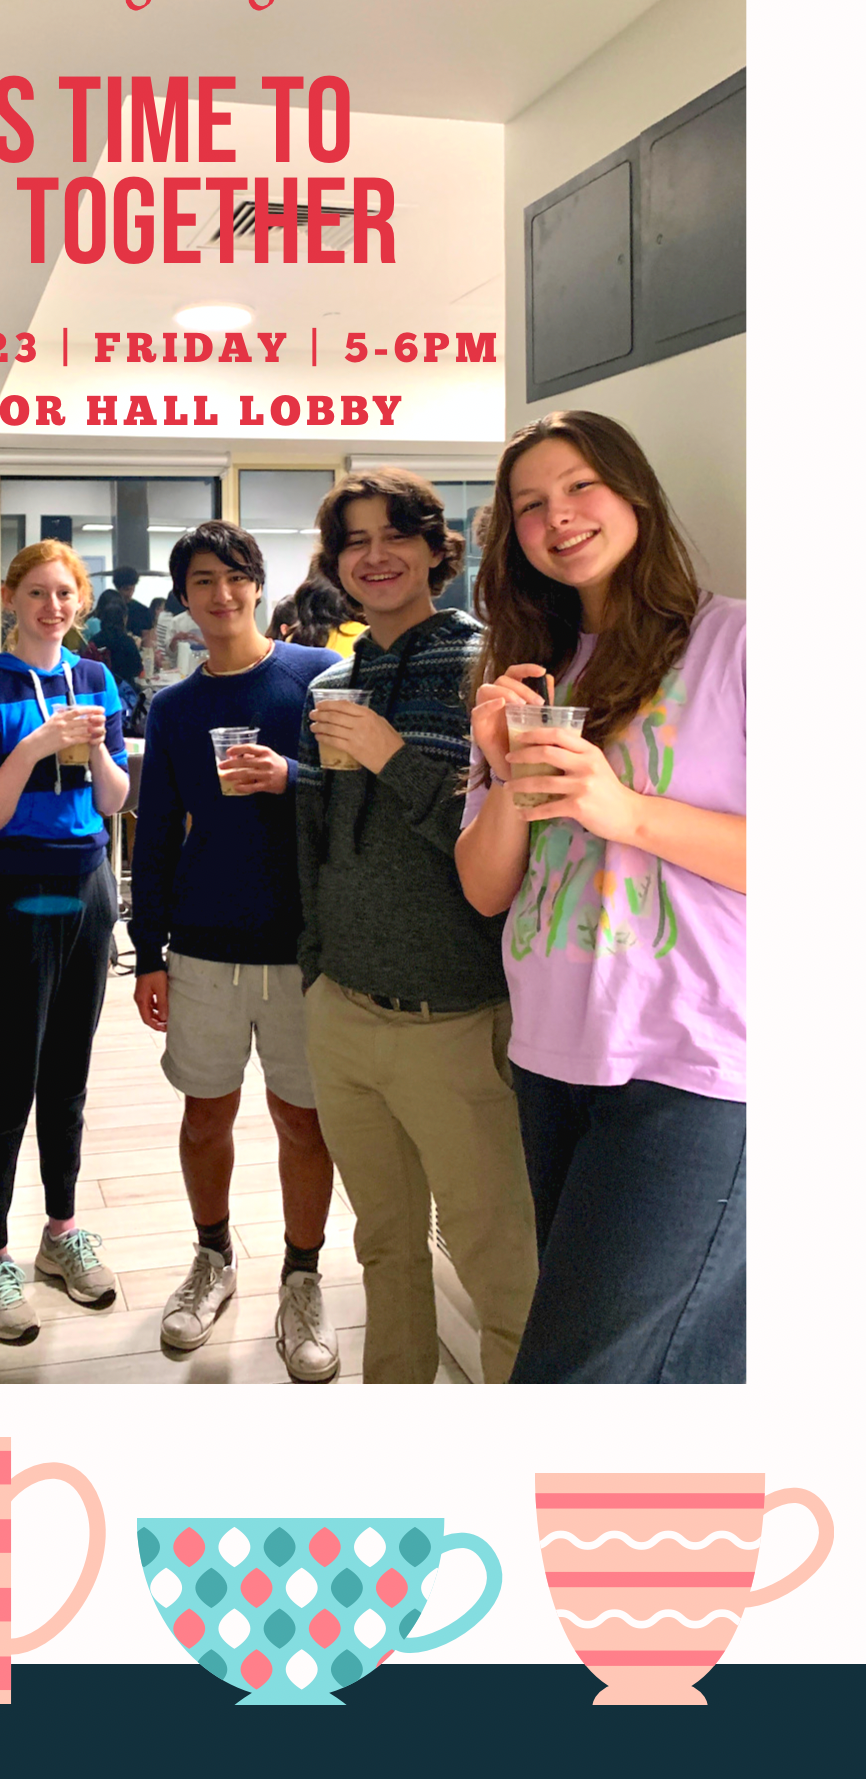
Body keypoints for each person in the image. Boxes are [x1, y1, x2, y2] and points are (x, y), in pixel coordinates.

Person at [455, 411, 745, 1384]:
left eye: (578, 486)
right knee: (678, 1371)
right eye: (529, 504)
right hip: (551, 1053)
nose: (558, 516)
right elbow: (485, 887)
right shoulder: (522, 675)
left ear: (633, 493)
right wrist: (500, 772)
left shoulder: (735, 644)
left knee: (572, 1381)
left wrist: (620, 810)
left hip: (693, 1062)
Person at [298, 468, 538, 1385]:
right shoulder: (333, 678)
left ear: (438, 549)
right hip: (343, 1008)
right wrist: (317, 964)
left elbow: (505, 844)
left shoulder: (492, 669)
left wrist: (390, 756)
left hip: (457, 1014)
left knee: (498, 1268)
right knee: (385, 1248)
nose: (374, 555)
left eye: (394, 534)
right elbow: (328, 848)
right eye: (353, 541)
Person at [132, 524, 342, 1381]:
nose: (222, 595)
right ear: (184, 596)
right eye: (203, 581)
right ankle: (212, 1256)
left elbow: (352, 800)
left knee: (302, 1116)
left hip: (300, 944)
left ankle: (302, 1275)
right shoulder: (175, 709)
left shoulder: (316, 678)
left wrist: (290, 776)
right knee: (204, 1112)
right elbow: (151, 842)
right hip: (204, 942)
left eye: (236, 578)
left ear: (260, 584)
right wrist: (147, 949)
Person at [0, 540, 130, 1341]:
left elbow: (117, 797)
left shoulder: (95, 679)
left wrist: (90, 744)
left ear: (80, 602)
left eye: (64, 592)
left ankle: (60, 1230)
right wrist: (34, 744)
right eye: (35, 591)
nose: (51, 605)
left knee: (68, 1067)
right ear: (10, 598)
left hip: (87, 884)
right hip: (14, 888)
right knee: (1, 1076)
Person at [113, 563, 157, 639]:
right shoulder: (110, 609)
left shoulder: (142, 611)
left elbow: (147, 639)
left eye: (132, 589)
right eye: (126, 589)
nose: (130, 594)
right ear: (117, 588)